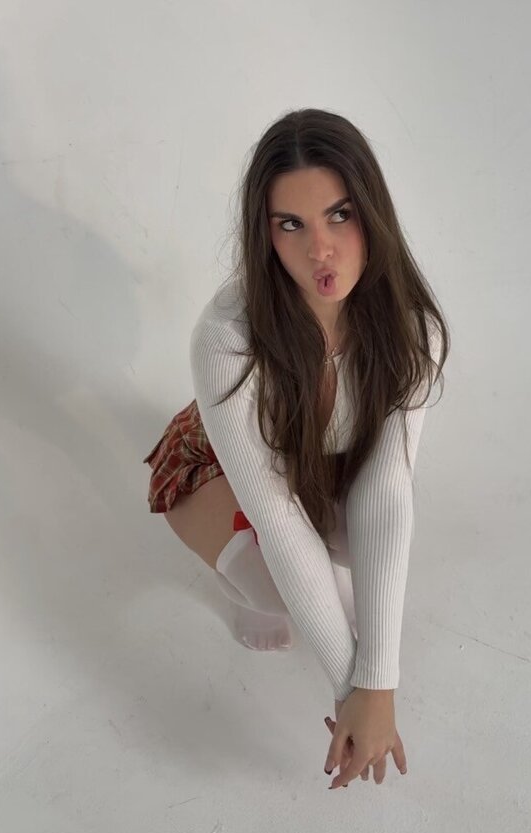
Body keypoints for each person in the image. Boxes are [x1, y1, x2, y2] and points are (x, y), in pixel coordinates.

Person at [143, 107, 449, 790]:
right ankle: (245, 591)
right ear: (265, 234)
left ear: (372, 211)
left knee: (362, 559)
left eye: (340, 215)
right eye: (291, 224)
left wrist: (379, 681)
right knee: (281, 589)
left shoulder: (412, 329)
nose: (321, 250)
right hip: (224, 467)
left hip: (329, 465)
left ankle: (309, 598)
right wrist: (351, 689)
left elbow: (386, 487)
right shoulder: (226, 337)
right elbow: (276, 515)